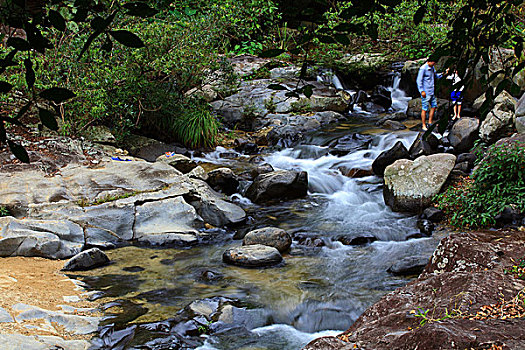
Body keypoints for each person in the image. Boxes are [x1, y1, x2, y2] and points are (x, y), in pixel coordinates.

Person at [416, 55, 447, 131]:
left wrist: (444, 74)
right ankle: (423, 125)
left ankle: (430, 122)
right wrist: (421, 91)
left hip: (432, 91)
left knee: (434, 106)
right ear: (430, 61)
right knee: (425, 108)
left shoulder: (432, 68)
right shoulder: (423, 68)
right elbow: (418, 81)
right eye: (434, 63)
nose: (434, 64)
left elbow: (436, 76)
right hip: (425, 92)